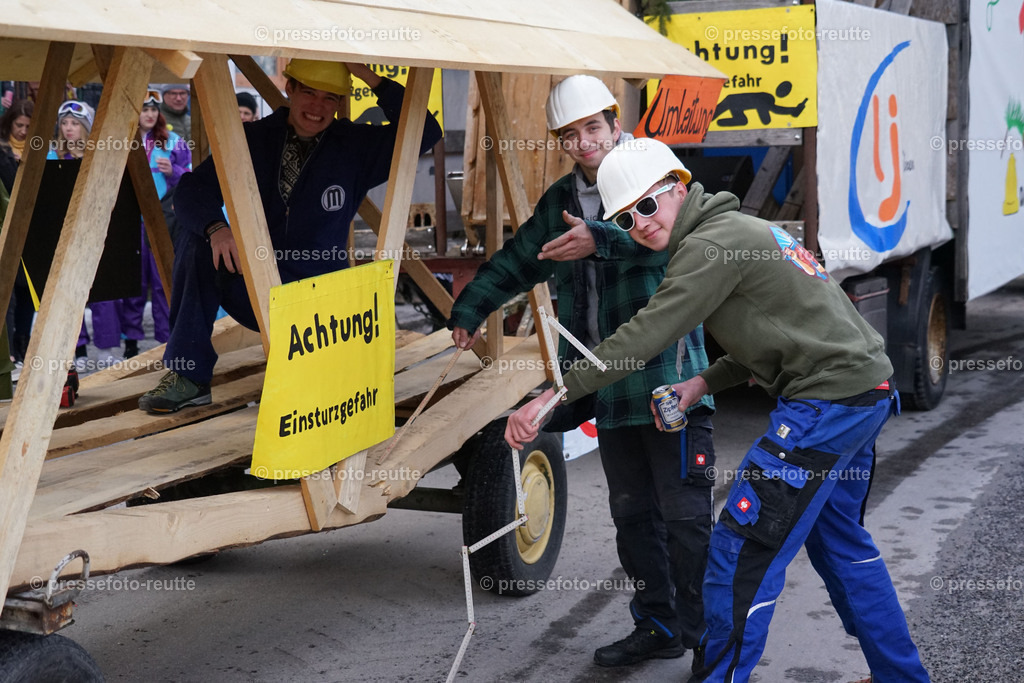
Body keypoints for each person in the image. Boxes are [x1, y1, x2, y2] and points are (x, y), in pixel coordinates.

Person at [505, 138, 930, 683]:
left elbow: (645, 334)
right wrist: (702, 381)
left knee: (739, 551)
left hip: (826, 403)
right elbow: (781, 336)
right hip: (862, 393)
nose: (641, 224)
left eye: (647, 205)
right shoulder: (738, 230)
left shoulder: (710, 245)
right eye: (626, 219)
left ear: (677, 187)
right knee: (841, 546)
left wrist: (554, 394)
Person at [449, 76, 715, 671]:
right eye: (569, 134)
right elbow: (520, 260)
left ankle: (711, 644)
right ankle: (658, 627)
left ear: (615, 124)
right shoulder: (561, 200)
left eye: (593, 127)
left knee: (687, 519)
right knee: (633, 516)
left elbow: (670, 237)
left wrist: (599, 237)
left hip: (670, 380)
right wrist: (471, 308)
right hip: (606, 385)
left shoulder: (650, 170)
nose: (583, 142)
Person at [138, 60, 442, 413]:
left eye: (329, 98)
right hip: (258, 290)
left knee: (316, 396)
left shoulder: (356, 147)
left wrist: (369, 77)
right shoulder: (252, 139)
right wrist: (217, 229)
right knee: (197, 242)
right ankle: (188, 376)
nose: (317, 106)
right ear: (290, 88)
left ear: (340, 103)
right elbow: (191, 190)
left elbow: (426, 132)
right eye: (309, 92)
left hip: (321, 303)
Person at [118, 90, 192, 358]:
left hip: (163, 221)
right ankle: (131, 340)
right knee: (134, 283)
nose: (149, 114)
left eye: (153, 109)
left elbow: (190, 177)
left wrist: (174, 172)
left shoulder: (173, 141)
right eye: (144, 109)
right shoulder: (122, 141)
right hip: (131, 220)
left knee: (163, 282)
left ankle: (166, 339)